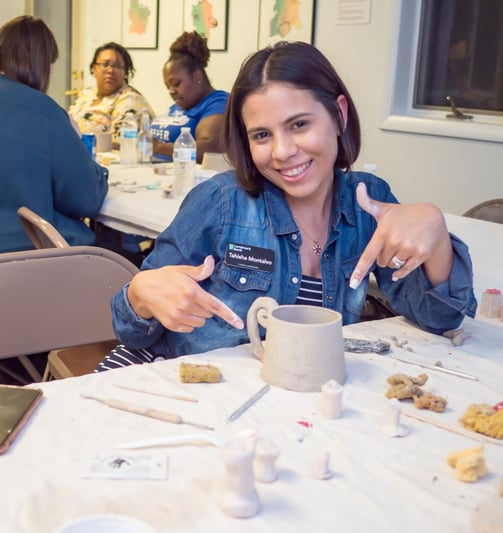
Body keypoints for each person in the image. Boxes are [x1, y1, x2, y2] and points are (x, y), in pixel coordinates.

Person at [96, 41, 477, 372]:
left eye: (298, 125)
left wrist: (435, 231)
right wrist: (141, 293)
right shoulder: (221, 201)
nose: (282, 152)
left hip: (284, 399)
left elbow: (440, 319)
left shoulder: (368, 204)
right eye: (262, 135)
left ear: (339, 114)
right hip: (175, 378)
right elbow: (131, 329)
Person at [0, 15, 108, 253]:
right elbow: (86, 200)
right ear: (41, 64)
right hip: (30, 257)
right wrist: (77, 141)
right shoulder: (44, 112)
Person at [151, 31, 229, 163]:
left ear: (197, 76)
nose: (171, 91)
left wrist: (158, 147)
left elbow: (208, 149)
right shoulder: (180, 105)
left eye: (176, 83)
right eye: (167, 86)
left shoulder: (218, 102)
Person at [68, 41, 154, 147]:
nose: (110, 70)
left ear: (126, 72)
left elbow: (120, 143)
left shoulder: (131, 100)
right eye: (105, 64)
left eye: (117, 66)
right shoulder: (86, 94)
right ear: (94, 68)